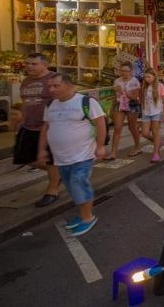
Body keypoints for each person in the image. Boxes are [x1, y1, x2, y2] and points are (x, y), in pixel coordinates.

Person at [38, 73, 106, 237]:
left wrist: (101, 146)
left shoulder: (86, 102)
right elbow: (46, 128)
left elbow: (100, 123)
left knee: (79, 184)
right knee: (71, 187)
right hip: (61, 157)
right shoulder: (51, 105)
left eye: (56, 86)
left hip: (82, 155)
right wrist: (41, 148)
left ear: (68, 86)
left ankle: (87, 217)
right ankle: (83, 213)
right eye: (50, 86)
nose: (52, 89)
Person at [14, 53, 61, 207]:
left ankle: (52, 191)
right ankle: (59, 173)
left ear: (45, 64)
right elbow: (25, 102)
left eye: (34, 64)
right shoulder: (26, 82)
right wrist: (21, 118)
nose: (29, 67)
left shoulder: (55, 79)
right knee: (24, 157)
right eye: (27, 63)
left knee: (51, 159)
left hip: (49, 127)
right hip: (29, 126)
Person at [108, 62, 142, 160]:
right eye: (122, 71)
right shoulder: (117, 81)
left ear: (131, 71)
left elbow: (135, 97)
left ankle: (137, 147)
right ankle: (113, 152)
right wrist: (112, 109)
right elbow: (115, 96)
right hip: (119, 105)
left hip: (131, 105)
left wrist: (122, 92)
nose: (124, 73)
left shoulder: (135, 81)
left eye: (126, 71)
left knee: (132, 127)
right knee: (117, 128)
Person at [140, 68, 164, 163]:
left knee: (155, 132)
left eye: (149, 77)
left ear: (154, 76)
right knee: (144, 133)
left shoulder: (160, 86)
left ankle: (155, 153)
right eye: (145, 77)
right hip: (146, 112)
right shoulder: (144, 87)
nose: (147, 79)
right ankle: (158, 142)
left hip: (157, 111)